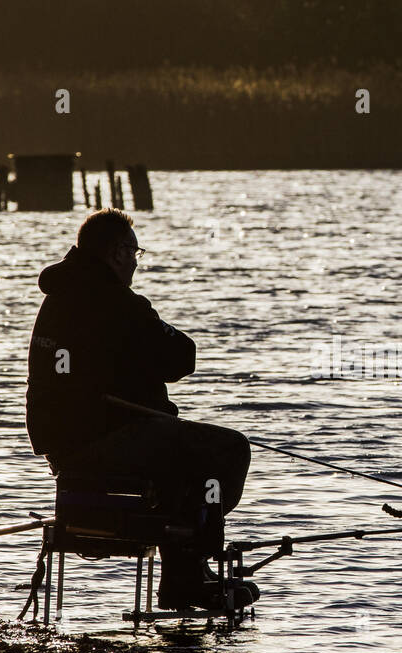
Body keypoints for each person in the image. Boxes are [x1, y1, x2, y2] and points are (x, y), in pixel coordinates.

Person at [25, 208, 253, 610]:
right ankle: (188, 570)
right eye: (134, 253)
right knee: (229, 450)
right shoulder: (114, 300)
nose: (135, 262)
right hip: (105, 440)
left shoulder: (60, 295)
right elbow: (181, 359)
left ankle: (186, 568)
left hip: (65, 446)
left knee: (180, 453)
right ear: (116, 253)